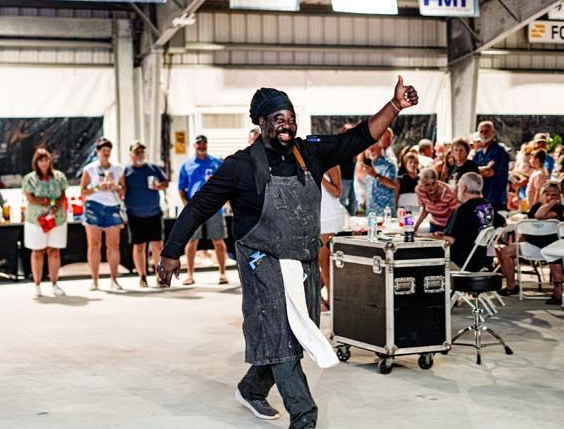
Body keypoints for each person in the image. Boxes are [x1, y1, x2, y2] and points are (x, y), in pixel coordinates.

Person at [157, 78, 419, 429]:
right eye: (277, 118)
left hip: (303, 259)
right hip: (262, 260)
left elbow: (359, 137)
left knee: (295, 333)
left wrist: (395, 105)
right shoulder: (240, 166)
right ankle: (304, 417)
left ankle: (252, 388)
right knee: (280, 333)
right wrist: (171, 251)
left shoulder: (309, 152)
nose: (286, 124)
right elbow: (199, 207)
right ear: (261, 124)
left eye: (290, 117)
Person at [496, 182, 564, 300]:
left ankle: (558, 292)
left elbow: (541, 215)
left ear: (559, 197)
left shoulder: (560, 208)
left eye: (553, 195)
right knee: (505, 252)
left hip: (552, 248)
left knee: (555, 257)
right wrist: (518, 241)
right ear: (541, 195)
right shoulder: (535, 207)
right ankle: (511, 286)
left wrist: (552, 203)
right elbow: (529, 227)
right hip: (532, 245)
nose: (549, 197)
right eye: (546, 194)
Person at [178, 135, 228, 285]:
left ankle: (223, 273)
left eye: (204, 144)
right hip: (195, 208)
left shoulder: (216, 163)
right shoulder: (186, 165)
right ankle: (190, 275)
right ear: (194, 146)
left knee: (218, 241)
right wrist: (187, 205)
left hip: (214, 207)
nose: (201, 147)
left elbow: (226, 183)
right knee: (192, 241)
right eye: (199, 144)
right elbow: (181, 188)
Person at [121, 140, 169, 288]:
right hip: (134, 214)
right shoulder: (126, 171)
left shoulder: (153, 168)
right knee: (139, 246)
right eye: (137, 152)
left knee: (157, 245)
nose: (140, 154)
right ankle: (142, 276)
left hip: (154, 212)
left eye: (142, 151)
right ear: (131, 155)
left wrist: (159, 186)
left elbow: (165, 183)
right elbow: (122, 190)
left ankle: (159, 275)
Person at [437, 172, 505, 271]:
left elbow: (450, 239)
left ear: (463, 188)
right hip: (483, 258)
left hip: (462, 262)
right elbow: (502, 222)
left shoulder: (463, 210)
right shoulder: (488, 206)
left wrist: (432, 236)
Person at [81, 138, 125, 291]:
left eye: (108, 150)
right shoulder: (90, 169)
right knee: (94, 245)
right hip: (94, 206)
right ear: (97, 152)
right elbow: (83, 191)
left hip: (112, 206)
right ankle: (94, 280)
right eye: (102, 150)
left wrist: (115, 186)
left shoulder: (118, 168)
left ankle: (114, 279)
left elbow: (123, 190)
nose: (105, 153)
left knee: (113, 245)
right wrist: (97, 188)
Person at [23, 148, 68, 298]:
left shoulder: (59, 177)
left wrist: (56, 205)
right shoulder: (30, 178)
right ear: (36, 162)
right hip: (37, 219)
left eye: (46, 159)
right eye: (40, 160)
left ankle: (54, 283)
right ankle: (37, 285)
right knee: (37, 251)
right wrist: (44, 202)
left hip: (56, 218)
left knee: (54, 251)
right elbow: (30, 197)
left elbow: (62, 194)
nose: (44, 163)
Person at [319, 165, 345, 311]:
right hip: (317, 216)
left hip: (330, 218)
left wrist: (320, 176)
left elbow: (337, 192)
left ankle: (331, 301)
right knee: (320, 261)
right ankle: (317, 295)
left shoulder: (333, 166)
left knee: (324, 261)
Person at [472, 121, 510, 210]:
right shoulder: (478, 153)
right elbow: (471, 173)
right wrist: (483, 169)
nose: (484, 134)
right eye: (481, 131)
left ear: (493, 133)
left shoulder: (499, 151)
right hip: (480, 198)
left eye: (487, 131)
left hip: (495, 198)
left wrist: (477, 171)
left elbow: (490, 172)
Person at [414, 168, 458, 234]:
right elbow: (425, 210)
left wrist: (446, 232)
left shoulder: (449, 193)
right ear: (422, 184)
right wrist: (415, 228)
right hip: (434, 224)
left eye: (433, 183)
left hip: (449, 225)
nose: (432, 187)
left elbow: (455, 215)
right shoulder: (420, 190)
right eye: (427, 185)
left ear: (437, 180)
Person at [360, 141, 397, 216]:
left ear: (380, 148)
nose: (371, 151)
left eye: (373, 148)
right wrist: (361, 210)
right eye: (368, 149)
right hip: (370, 214)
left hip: (385, 213)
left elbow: (393, 185)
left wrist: (375, 175)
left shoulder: (389, 165)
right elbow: (368, 191)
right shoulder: (368, 166)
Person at [338, 123, 359, 216]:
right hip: (343, 178)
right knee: (342, 200)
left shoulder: (355, 145)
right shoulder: (339, 145)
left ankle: (352, 219)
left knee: (353, 201)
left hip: (354, 178)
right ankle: (341, 219)